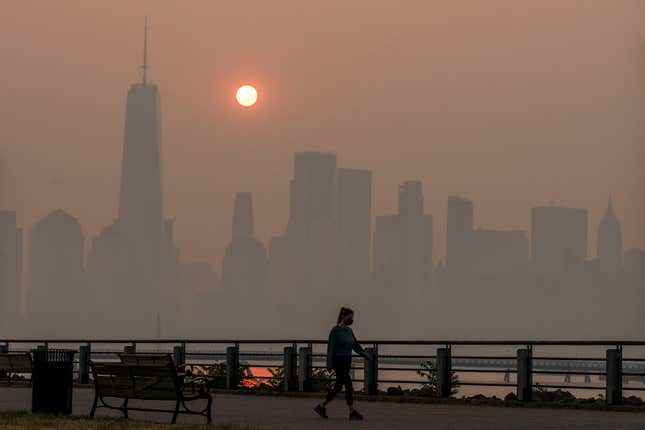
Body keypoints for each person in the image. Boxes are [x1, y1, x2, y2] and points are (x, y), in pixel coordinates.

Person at [314, 306, 370, 421]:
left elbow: (355, 345)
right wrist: (329, 364)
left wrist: (365, 354)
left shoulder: (349, 331)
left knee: (338, 387)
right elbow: (330, 348)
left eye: (352, 317)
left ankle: (321, 406)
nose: (352, 319)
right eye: (350, 317)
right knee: (348, 385)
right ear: (343, 316)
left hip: (347, 361)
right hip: (338, 361)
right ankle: (352, 412)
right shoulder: (335, 331)